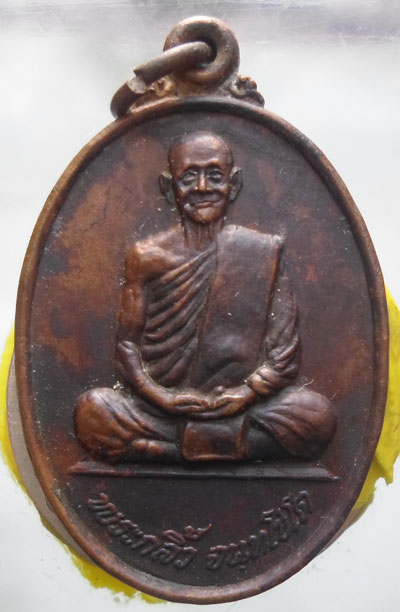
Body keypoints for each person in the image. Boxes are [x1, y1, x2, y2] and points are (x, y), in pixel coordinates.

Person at [75, 131, 336, 462]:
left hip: (244, 407)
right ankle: (228, 449)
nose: (202, 188)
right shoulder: (147, 256)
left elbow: (284, 354)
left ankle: (168, 452)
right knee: (93, 410)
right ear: (169, 187)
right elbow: (127, 347)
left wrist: (246, 394)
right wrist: (162, 398)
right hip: (162, 410)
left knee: (317, 415)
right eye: (188, 177)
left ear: (233, 184)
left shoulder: (263, 251)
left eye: (214, 176)